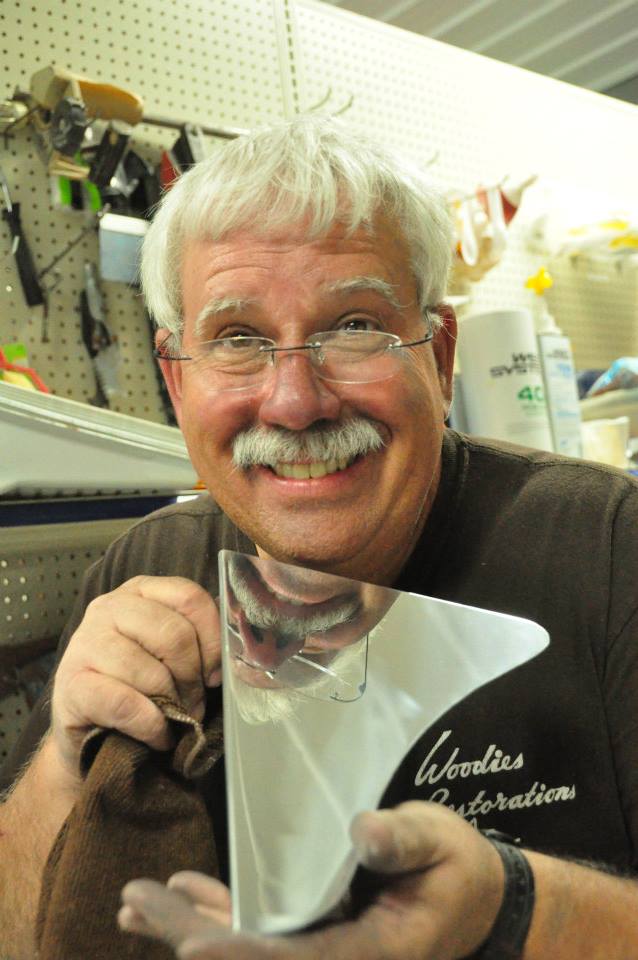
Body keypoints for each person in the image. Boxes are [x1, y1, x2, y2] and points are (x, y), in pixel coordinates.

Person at [1, 116, 638, 960]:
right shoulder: (144, 570)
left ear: (440, 360)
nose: (296, 401)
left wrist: (516, 910)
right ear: (175, 379)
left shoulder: (608, 549)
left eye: (353, 325)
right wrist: (64, 759)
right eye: (237, 339)